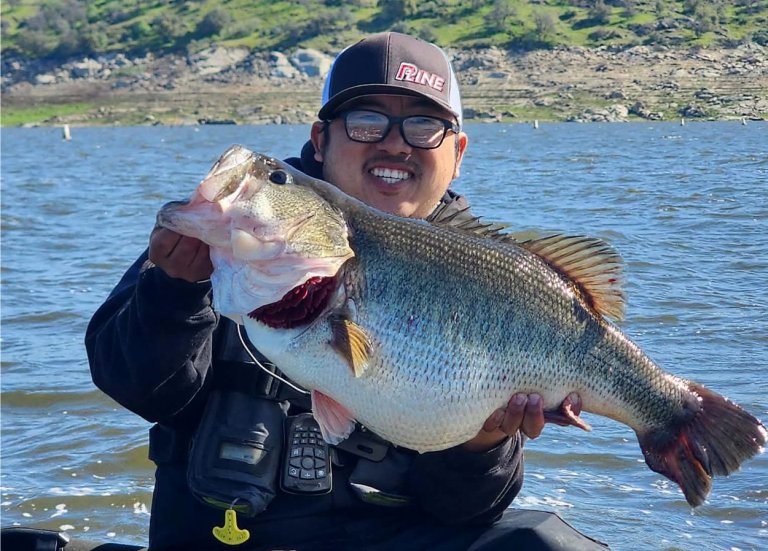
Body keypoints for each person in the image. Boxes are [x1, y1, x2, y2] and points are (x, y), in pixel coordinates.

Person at [86, 32, 607, 550]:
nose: (395, 143)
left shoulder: (498, 279)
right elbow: (135, 387)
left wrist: (484, 442)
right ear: (320, 139)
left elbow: (464, 508)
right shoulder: (244, 235)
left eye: (424, 125)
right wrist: (173, 293)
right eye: (366, 121)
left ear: (458, 152)